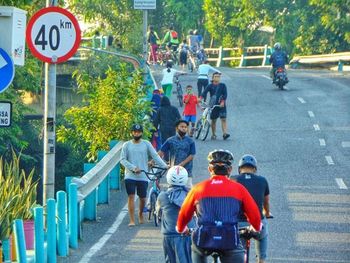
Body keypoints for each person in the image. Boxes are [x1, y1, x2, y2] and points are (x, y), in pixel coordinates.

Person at [176, 149, 261, 263]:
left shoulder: (198, 188)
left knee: (196, 250)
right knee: (238, 254)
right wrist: (256, 227)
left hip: (204, 239)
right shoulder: (239, 189)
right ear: (229, 170)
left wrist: (181, 229)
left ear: (210, 169)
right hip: (229, 239)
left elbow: (184, 214)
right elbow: (255, 215)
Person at [120, 124, 168, 227]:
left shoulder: (146, 144)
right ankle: (132, 220)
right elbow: (123, 160)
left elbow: (155, 156)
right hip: (130, 175)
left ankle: (140, 214)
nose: (136, 133)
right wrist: (133, 168)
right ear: (131, 133)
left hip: (143, 175)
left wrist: (165, 166)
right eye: (134, 132)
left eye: (138, 132)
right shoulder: (126, 145)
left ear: (141, 133)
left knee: (142, 198)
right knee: (131, 196)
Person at [231, 154, 271, 263]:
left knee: (239, 252)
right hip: (257, 224)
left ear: (240, 169)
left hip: (239, 224)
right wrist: (266, 213)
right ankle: (261, 259)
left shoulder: (233, 179)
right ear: (255, 169)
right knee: (263, 236)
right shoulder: (262, 180)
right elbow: (266, 202)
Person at [156, 166, 195, 263]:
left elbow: (158, 213)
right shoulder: (190, 195)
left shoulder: (162, 196)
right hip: (186, 233)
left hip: (168, 234)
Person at [159, 120, 196, 188]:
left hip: (187, 172)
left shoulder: (190, 141)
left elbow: (192, 155)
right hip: (173, 172)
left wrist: (182, 164)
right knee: (171, 191)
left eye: (185, 127)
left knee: (188, 191)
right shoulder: (170, 140)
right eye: (182, 126)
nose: (184, 128)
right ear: (176, 128)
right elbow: (161, 151)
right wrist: (152, 161)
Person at [200, 72, 230, 140]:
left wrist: (222, 102)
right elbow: (204, 93)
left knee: (223, 119)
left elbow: (225, 95)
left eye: (219, 76)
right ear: (213, 78)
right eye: (216, 76)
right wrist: (200, 98)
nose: (217, 78)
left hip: (221, 105)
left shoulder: (223, 85)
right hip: (213, 105)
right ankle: (213, 134)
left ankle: (225, 133)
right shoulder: (210, 86)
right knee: (213, 120)